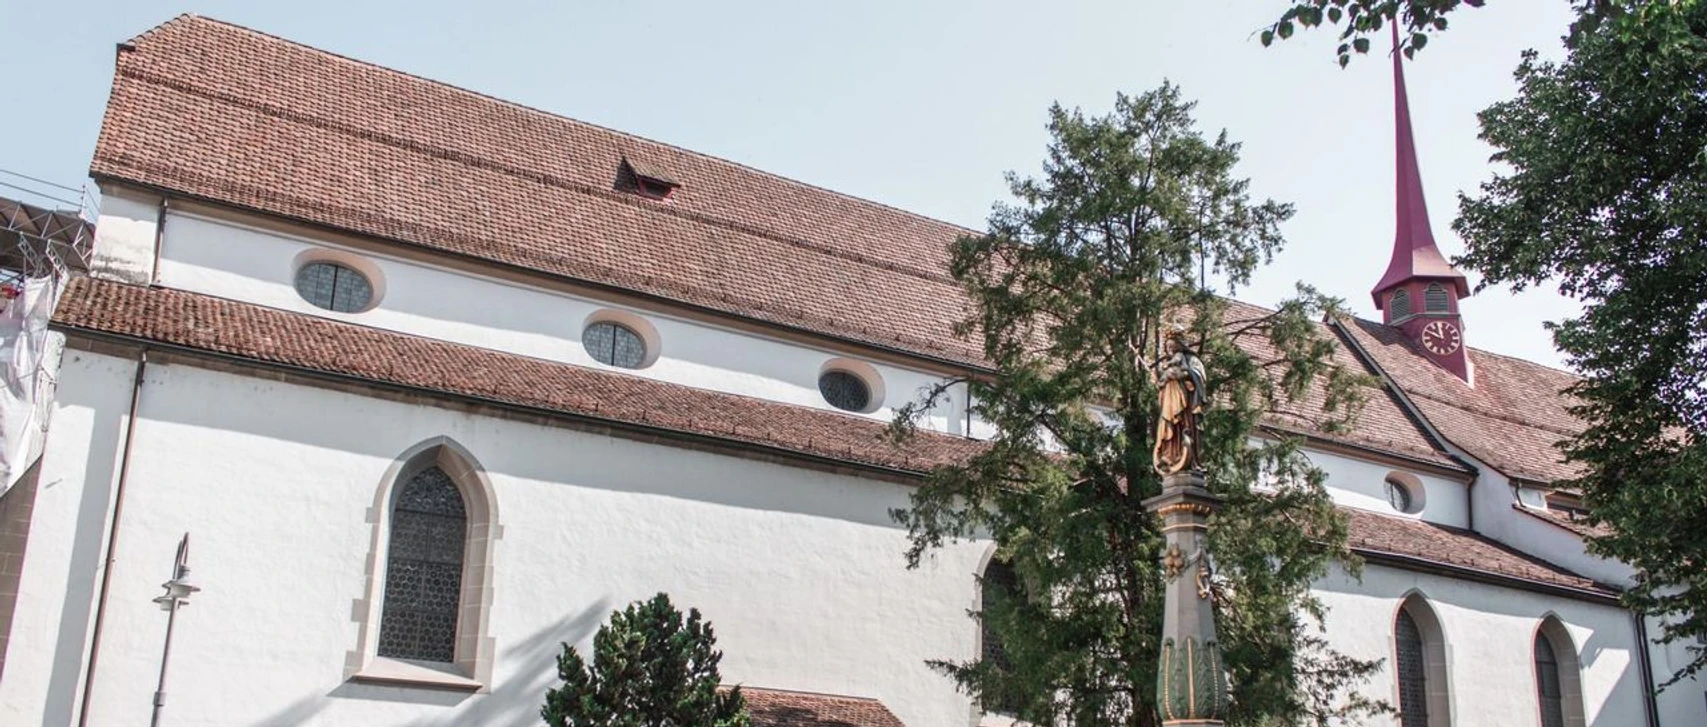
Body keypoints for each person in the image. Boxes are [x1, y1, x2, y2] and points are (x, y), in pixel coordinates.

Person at [1153, 327, 1205, 475]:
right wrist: (1162, 382)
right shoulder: (1170, 363)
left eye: (1172, 346)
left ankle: (1189, 457)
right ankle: (1169, 455)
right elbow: (1162, 384)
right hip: (1170, 405)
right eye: (1167, 347)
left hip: (1187, 406)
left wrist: (1183, 375)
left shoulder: (1192, 360)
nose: (1169, 349)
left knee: (1185, 430)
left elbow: (1199, 377)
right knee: (1170, 430)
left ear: (1180, 345)